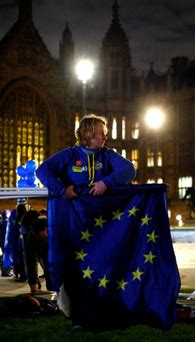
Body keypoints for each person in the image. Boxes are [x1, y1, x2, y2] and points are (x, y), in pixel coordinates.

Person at [36, 114, 136, 328]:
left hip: (103, 228)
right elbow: (42, 170)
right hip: (74, 226)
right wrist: (62, 189)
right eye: (102, 134)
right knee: (76, 271)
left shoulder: (108, 155)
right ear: (89, 134)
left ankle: (105, 312)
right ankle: (80, 316)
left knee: (104, 269)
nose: (105, 138)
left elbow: (129, 170)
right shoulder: (70, 156)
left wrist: (106, 182)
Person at [24, 216, 50, 294]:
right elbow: (31, 263)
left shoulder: (54, 231)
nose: (46, 235)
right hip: (39, 249)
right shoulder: (31, 239)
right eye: (42, 234)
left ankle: (52, 286)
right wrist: (33, 284)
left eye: (46, 231)